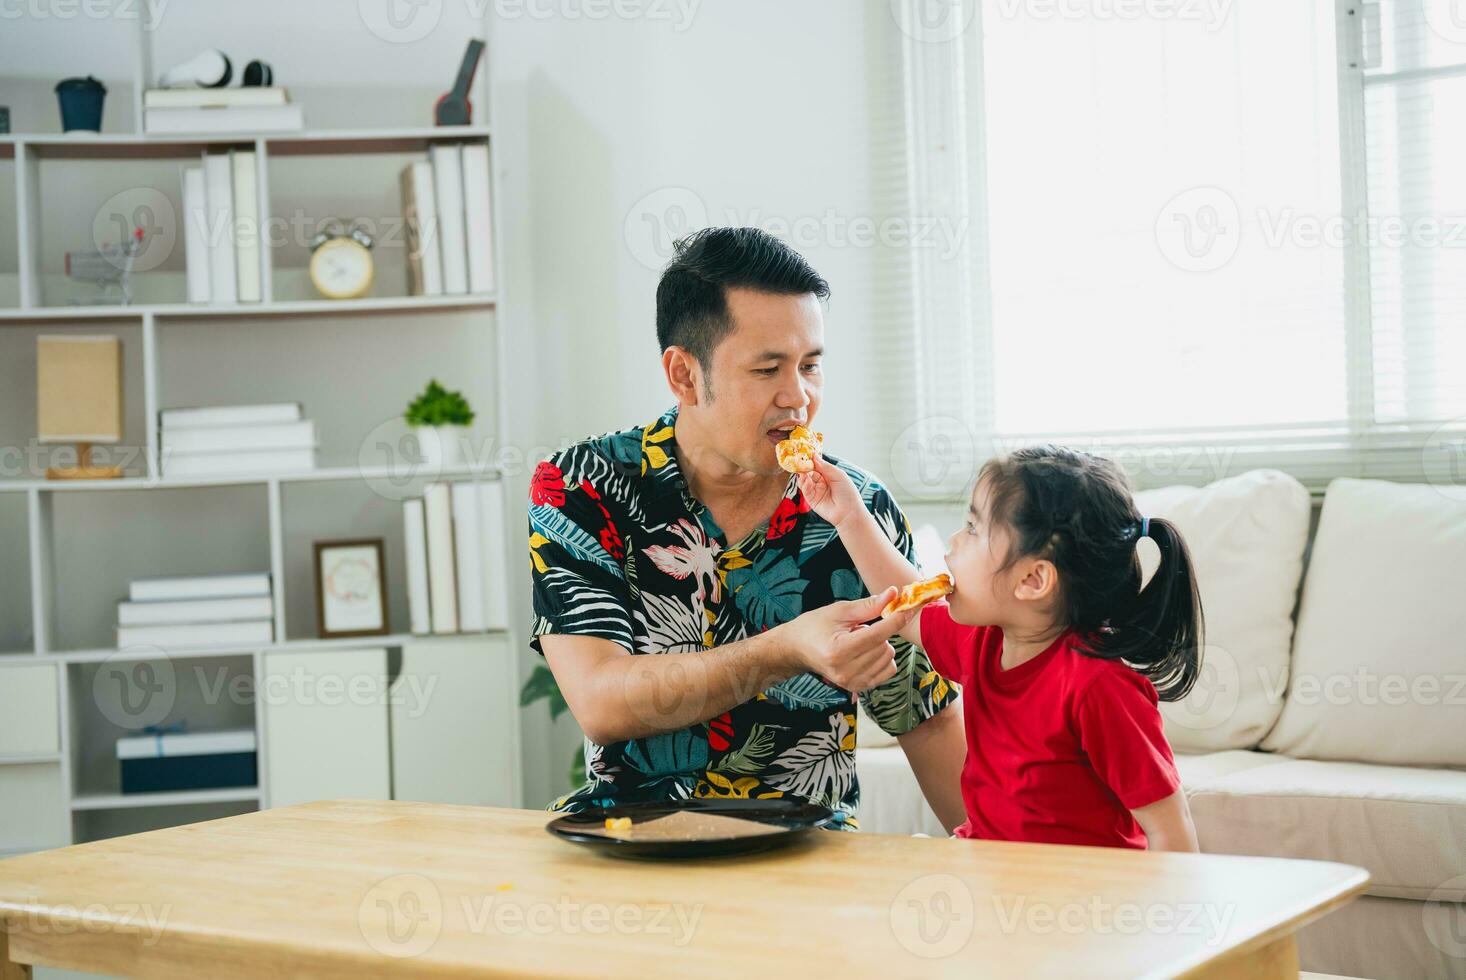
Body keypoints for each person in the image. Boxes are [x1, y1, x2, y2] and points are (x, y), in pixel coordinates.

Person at [528, 227, 966, 830]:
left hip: (809, 848)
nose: (800, 398)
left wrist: (1006, 874)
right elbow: (600, 701)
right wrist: (788, 648)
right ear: (684, 375)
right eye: (767, 370)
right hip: (633, 838)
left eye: (811, 366)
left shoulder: (857, 508)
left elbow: (924, 714)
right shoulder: (583, 486)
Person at [798, 444, 1203, 850]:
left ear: (1032, 580)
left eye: (973, 529)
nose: (953, 543)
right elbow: (908, 602)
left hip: (1077, 898)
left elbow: (1169, 826)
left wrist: (1165, 913)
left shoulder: (1099, 686)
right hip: (992, 871)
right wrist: (849, 516)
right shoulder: (983, 643)